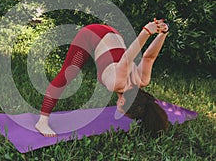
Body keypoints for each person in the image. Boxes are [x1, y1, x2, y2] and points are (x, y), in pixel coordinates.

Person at [35, 18, 169, 137]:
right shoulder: (117, 82)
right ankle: (42, 121)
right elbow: (127, 58)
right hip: (91, 34)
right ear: (121, 102)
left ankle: (162, 32)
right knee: (67, 75)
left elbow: (149, 57)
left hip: (113, 33)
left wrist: (163, 33)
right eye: (122, 112)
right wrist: (146, 32)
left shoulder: (142, 80)